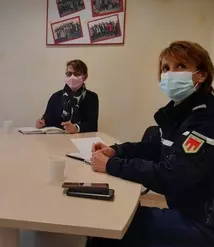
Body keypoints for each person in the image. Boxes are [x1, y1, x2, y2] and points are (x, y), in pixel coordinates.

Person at [88, 41, 214, 246]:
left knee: (109, 230)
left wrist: (112, 166)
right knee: (110, 218)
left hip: (203, 223)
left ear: (202, 74)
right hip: (188, 210)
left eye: (181, 66)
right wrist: (116, 151)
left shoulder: (206, 118)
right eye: (166, 68)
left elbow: (173, 176)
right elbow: (152, 148)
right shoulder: (178, 112)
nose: (171, 74)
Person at [35, 59, 99, 133]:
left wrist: (76, 128)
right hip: (57, 139)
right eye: (69, 74)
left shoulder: (92, 97)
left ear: (85, 77)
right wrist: (41, 123)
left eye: (76, 74)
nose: (72, 77)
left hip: (81, 139)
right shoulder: (56, 96)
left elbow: (93, 126)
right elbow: (47, 119)